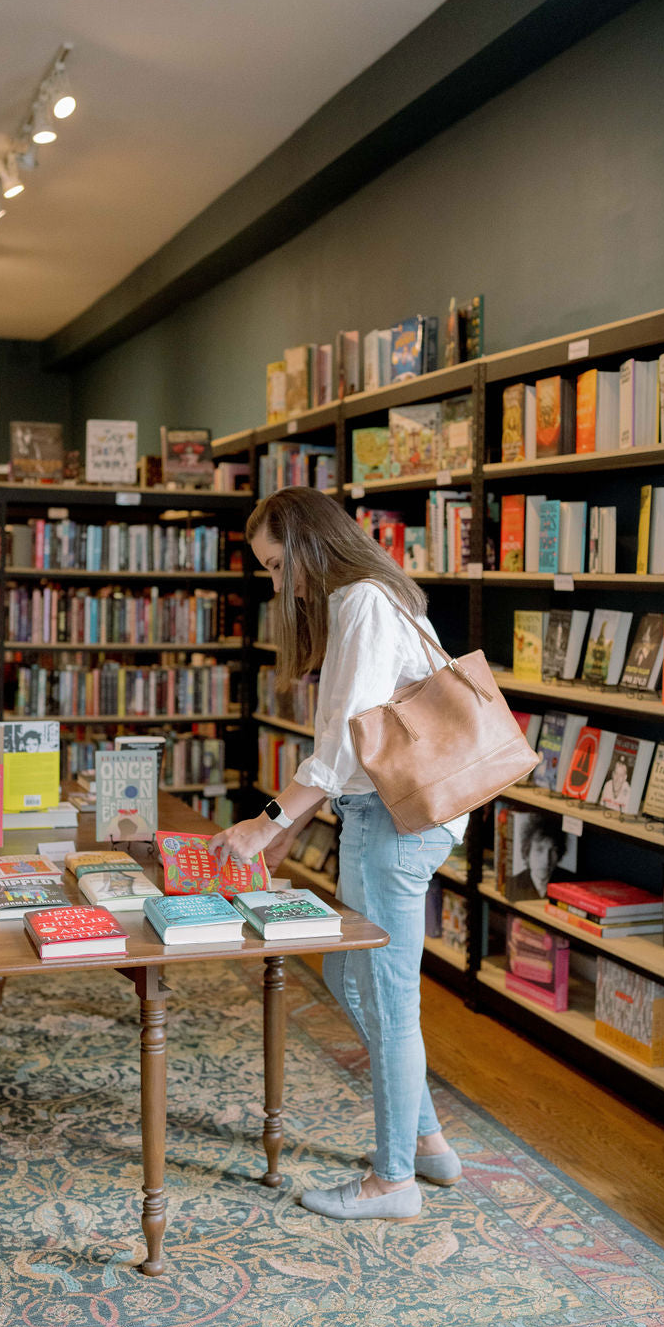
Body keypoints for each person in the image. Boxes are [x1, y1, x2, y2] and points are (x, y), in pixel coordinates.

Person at [207, 486, 464, 1221]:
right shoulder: (372, 598)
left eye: (278, 563)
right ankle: (426, 1141)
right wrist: (289, 825)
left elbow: (342, 743)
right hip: (377, 815)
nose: (277, 582)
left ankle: (393, 1183)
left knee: (386, 994)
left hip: (395, 822)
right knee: (350, 975)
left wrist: (266, 821)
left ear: (311, 545)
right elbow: (350, 752)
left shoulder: (362, 602)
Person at [507, 813, 567, 900]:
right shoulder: (512, 884)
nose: (546, 860)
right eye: (539, 850)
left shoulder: (570, 883)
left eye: (553, 851)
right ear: (527, 853)